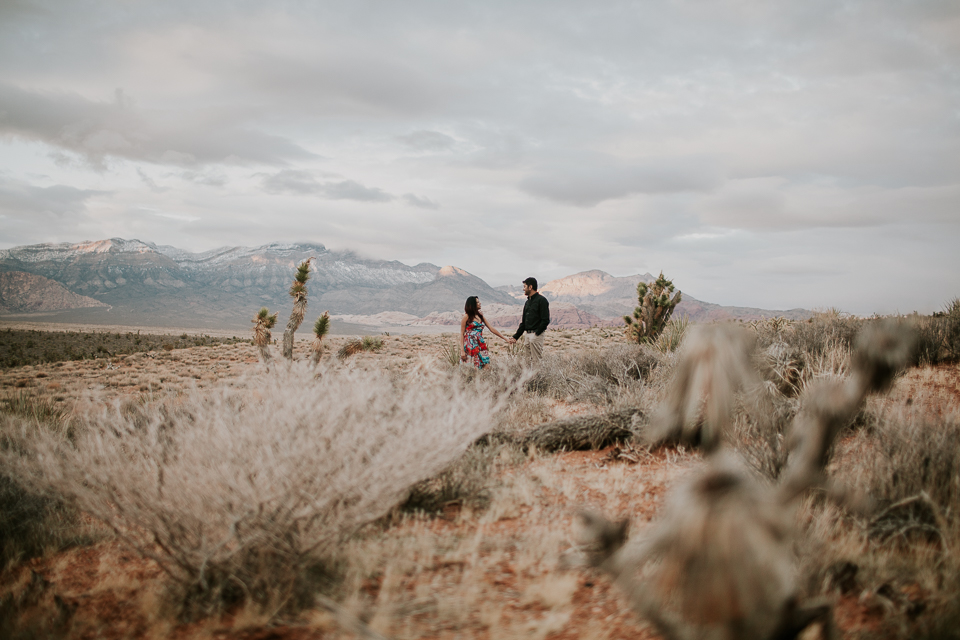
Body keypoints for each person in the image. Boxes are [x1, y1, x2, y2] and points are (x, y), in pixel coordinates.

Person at [461, 296, 510, 369]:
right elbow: (462, 334)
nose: (480, 303)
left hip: (481, 344)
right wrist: (462, 351)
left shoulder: (480, 316)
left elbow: (491, 328)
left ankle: (485, 380)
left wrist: (505, 338)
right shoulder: (466, 317)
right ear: (472, 304)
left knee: (486, 366)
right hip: (470, 345)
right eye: (477, 302)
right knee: (472, 368)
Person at [508, 277, 550, 360]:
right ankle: (528, 374)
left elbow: (545, 320)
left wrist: (536, 334)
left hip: (536, 335)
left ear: (530, 287)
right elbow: (524, 323)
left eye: (524, 287)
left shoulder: (542, 300)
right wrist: (515, 337)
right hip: (527, 335)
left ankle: (537, 373)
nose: (523, 289)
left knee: (536, 361)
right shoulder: (527, 302)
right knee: (527, 361)